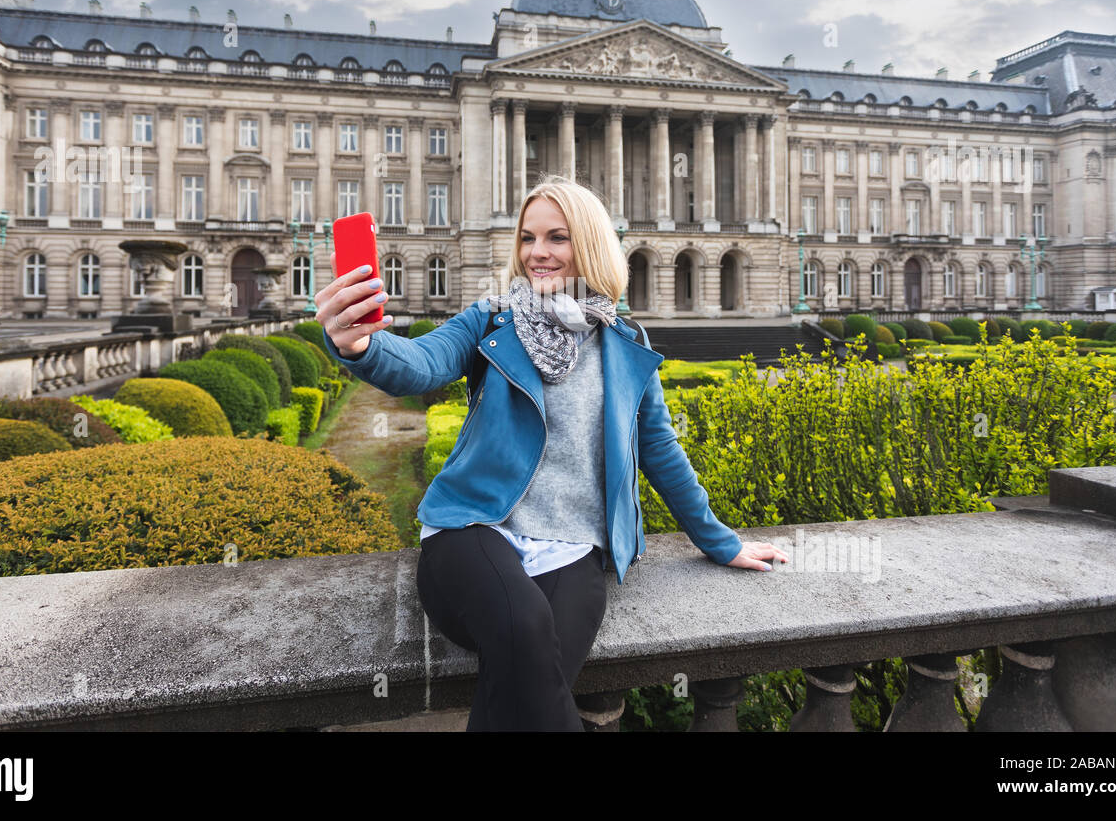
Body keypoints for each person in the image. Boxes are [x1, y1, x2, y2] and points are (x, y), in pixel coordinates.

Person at [316, 174, 787, 731]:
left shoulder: (627, 343)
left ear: (587, 243)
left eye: (556, 238)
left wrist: (720, 541)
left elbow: (659, 450)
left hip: (573, 547)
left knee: (525, 688)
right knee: (525, 630)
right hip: (472, 532)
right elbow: (421, 363)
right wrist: (360, 344)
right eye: (527, 238)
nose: (536, 253)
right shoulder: (492, 319)